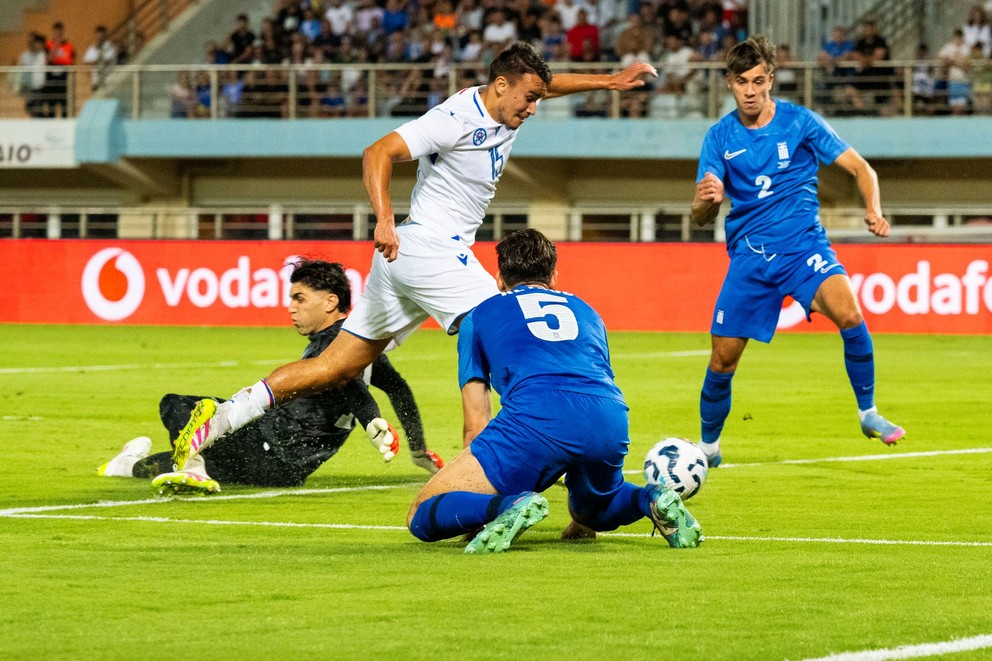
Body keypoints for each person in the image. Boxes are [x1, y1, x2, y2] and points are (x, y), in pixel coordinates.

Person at [169, 42, 657, 474]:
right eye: (528, 98)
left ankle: (216, 420)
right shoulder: (454, 120)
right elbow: (377, 151)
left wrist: (609, 81)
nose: (533, 107)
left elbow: (546, 87)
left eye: (537, 98)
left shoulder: (506, 102)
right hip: (426, 246)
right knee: (506, 327)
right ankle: (495, 466)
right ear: (501, 85)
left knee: (334, 367)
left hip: (409, 258)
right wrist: (384, 218)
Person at [406, 229, 702, 553]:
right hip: (608, 416)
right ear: (554, 277)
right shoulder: (589, 312)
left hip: (535, 419)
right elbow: (593, 385)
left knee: (420, 513)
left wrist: (479, 509)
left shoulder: (478, 317)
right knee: (596, 508)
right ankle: (650, 498)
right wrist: (584, 517)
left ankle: (509, 506)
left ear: (499, 278)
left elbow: (477, 420)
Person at [690, 36, 905, 468]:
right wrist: (705, 201)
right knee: (722, 360)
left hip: (804, 248)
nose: (750, 91)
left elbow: (862, 168)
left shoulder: (800, 122)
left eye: (757, 81)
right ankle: (709, 449)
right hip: (750, 259)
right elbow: (698, 217)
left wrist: (873, 209)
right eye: (740, 83)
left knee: (850, 314)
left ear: (770, 79)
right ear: (729, 84)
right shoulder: (719, 138)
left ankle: (868, 413)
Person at [97, 260, 443, 494]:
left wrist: (371, 417)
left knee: (176, 404)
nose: (290, 307)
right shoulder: (363, 348)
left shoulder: (334, 347)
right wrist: (416, 448)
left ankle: (193, 466)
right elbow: (399, 390)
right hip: (285, 472)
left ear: (330, 302)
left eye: (300, 298)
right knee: (160, 462)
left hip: (265, 446)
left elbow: (346, 383)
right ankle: (128, 463)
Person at [16, 33, 48, 118]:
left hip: (39, 85)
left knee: (37, 107)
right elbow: (19, 68)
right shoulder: (24, 55)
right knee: (29, 107)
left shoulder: (42, 54)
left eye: (33, 42)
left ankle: (40, 120)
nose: (31, 44)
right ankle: (39, 120)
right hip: (28, 86)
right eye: (29, 42)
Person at [82, 25, 117, 90]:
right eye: (98, 36)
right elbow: (86, 61)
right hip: (96, 82)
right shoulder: (92, 48)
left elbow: (109, 61)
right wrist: (96, 62)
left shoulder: (110, 47)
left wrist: (97, 61)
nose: (100, 38)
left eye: (101, 35)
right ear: (95, 36)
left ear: (105, 36)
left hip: (108, 81)